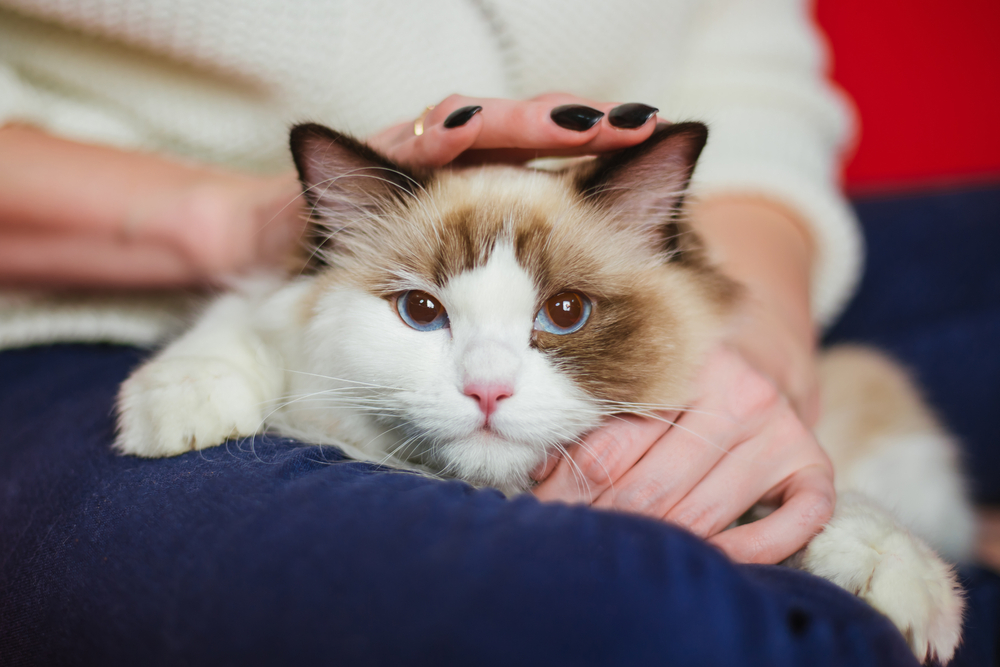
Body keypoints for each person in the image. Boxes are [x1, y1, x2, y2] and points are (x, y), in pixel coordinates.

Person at [0, 0, 860, 565]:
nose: (487, 384)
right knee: (637, 614)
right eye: (420, 309)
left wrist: (758, 326)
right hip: (80, 309)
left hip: (676, 244)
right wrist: (228, 224)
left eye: (559, 312)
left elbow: (745, 68)